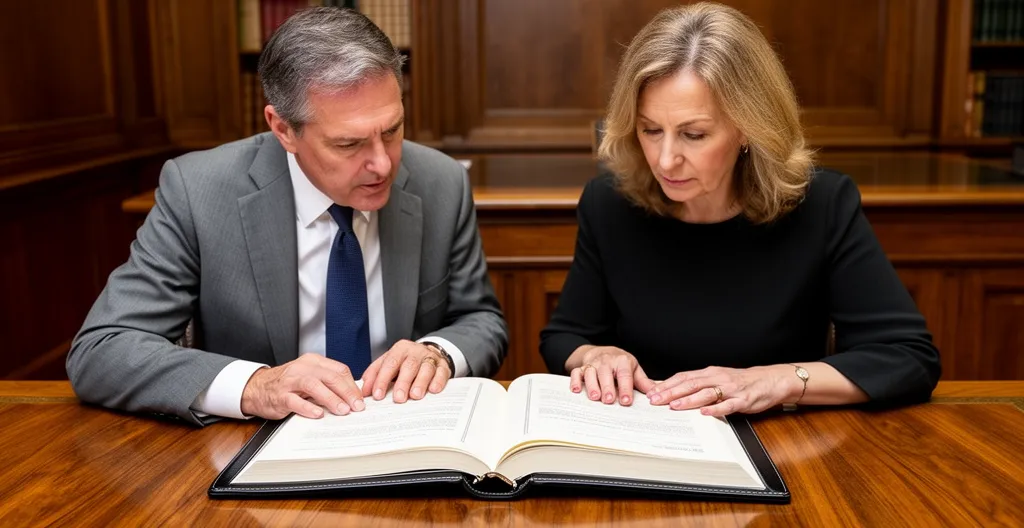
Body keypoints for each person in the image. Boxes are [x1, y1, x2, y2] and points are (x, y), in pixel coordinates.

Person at [67, 7, 507, 425]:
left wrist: (438, 352)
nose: (383, 164)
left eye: (392, 131)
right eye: (348, 144)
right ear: (283, 130)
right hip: (258, 445)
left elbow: (481, 319)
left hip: (406, 435)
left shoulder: (440, 182)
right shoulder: (200, 191)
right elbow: (102, 349)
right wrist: (256, 385)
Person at [540, 2, 940, 416]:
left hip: (780, 445)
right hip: (646, 438)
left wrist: (779, 380)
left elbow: (908, 357)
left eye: (694, 134)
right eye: (650, 129)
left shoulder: (822, 205)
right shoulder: (610, 204)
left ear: (749, 128)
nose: (664, 159)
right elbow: (565, 335)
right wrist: (595, 356)